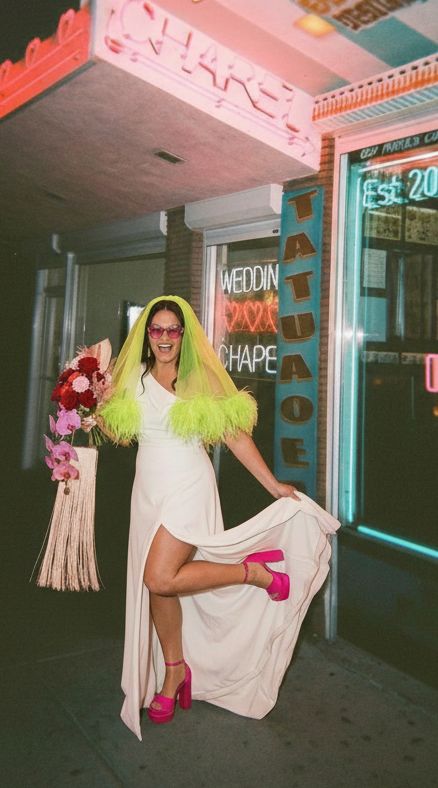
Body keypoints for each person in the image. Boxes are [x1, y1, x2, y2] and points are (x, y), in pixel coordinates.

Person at [100, 295, 339, 739]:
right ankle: (175, 672)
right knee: (161, 586)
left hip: (189, 486)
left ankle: (253, 573)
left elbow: (234, 435)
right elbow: (118, 433)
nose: (166, 337)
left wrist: (273, 485)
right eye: (158, 330)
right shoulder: (133, 376)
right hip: (147, 491)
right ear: (147, 335)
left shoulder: (199, 376)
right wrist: (96, 402)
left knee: (159, 578)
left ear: (184, 335)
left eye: (174, 330)